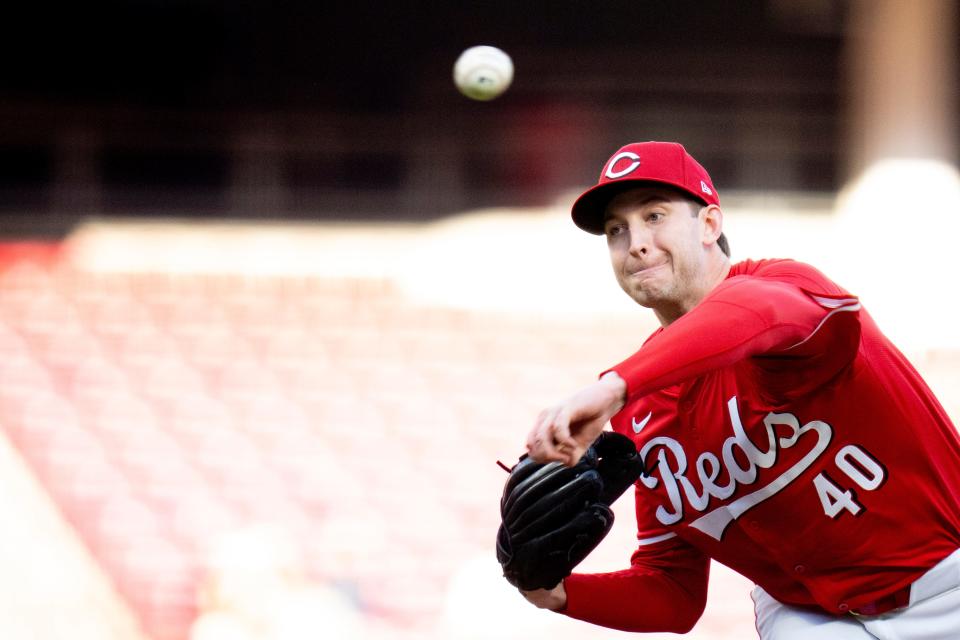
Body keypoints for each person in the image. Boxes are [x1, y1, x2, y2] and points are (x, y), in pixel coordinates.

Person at [520, 141, 960, 639]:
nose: (636, 241)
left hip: (948, 585)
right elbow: (672, 592)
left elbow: (761, 314)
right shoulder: (641, 413)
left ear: (710, 225)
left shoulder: (785, 286)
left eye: (655, 215)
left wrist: (615, 386)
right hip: (815, 618)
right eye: (617, 230)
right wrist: (556, 595)